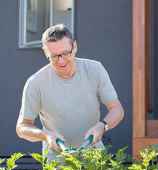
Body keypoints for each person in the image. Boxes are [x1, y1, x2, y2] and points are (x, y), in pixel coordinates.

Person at [16, 24, 124, 161]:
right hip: (56, 164)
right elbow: (22, 127)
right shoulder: (35, 83)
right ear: (45, 52)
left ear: (75, 46)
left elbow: (117, 110)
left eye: (66, 53)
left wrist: (102, 126)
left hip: (94, 158)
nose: (61, 61)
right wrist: (45, 135)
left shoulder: (95, 70)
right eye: (54, 56)